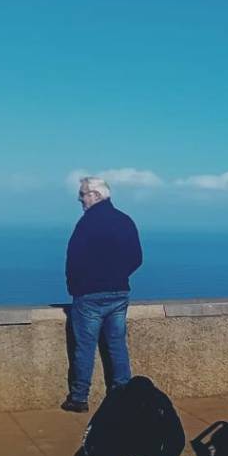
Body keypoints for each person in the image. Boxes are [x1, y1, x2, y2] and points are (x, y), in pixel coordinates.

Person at [63, 177, 142, 413]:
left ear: (96, 195)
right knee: (117, 345)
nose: (80, 199)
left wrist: (77, 287)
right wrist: (117, 276)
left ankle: (79, 398)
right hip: (119, 293)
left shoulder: (86, 224)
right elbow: (137, 258)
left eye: (82, 194)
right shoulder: (125, 221)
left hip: (89, 295)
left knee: (84, 347)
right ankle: (123, 396)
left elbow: (73, 260)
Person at [75, 376, 185, 456]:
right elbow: (90, 440)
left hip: (146, 437)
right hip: (119, 436)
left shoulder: (159, 401)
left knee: (158, 428)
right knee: (104, 442)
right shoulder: (115, 399)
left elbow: (177, 438)